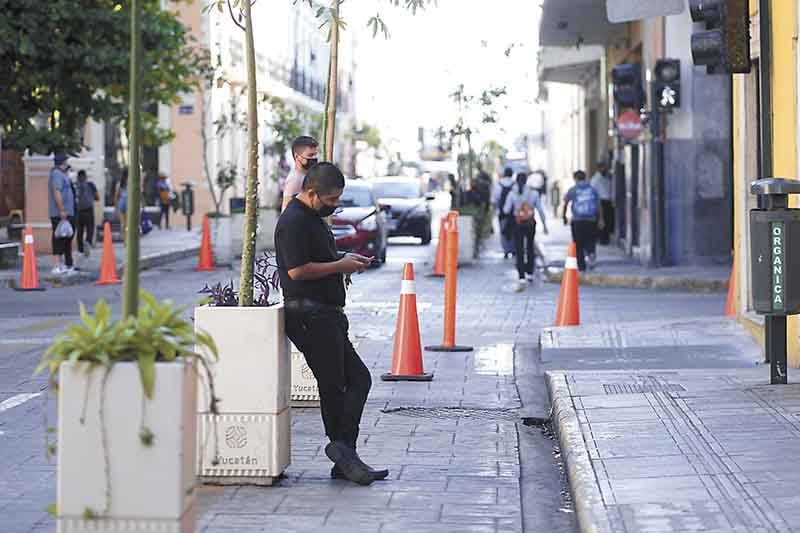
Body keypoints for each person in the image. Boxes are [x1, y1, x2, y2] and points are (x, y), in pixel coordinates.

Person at [275, 162, 388, 486]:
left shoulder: (313, 217)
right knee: (340, 383)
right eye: (331, 198)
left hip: (326, 314)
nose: (336, 204)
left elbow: (321, 256)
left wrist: (348, 260)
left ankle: (344, 457)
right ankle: (342, 451)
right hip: (309, 316)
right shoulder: (293, 221)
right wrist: (340, 265)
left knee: (353, 380)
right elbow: (296, 271)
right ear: (311, 193)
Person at [504, 172, 548, 291]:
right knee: (530, 247)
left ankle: (521, 275)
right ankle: (530, 272)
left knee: (519, 248)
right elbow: (540, 209)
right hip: (530, 223)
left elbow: (506, 209)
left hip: (518, 224)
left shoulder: (512, 193)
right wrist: (544, 225)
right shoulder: (533, 193)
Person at [563, 170, 604, 272]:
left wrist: (564, 216)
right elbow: (599, 205)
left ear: (575, 179)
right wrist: (601, 219)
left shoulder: (573, 190)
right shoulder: (592, 189)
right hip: (591, 220)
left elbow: (566, 203)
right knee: (591, 240)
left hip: (578, 221)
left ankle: (581, 267)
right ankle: (591, 254)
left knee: (578, 244)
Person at [48, 154, 76, 274]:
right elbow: (56, 192)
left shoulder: (63, 174)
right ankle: (56, 265)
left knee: (67, 238)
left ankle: (67, 264)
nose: (67, 164)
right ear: (62, 163)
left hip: (67, 212)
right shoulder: (56, 174)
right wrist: (62, 210)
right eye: (66, 162)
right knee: (58, 238)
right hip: (60, 213)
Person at [281, 135, 319, 211]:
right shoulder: (294, 180)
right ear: (297, 156)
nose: (313, 158)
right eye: (310, 155)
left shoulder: (306, 176)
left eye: (315, 155)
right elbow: (286, 210)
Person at [491, 168, 516, 258]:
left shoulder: (498, 184)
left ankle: (506, 250)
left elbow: (493, 200)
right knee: (514, 231)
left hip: (502, 213)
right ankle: (513, 250)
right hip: (513, 214)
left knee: (503, 231)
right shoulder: (515, 184)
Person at [75, 170, 99, 257]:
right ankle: (88, 241)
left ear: (78, 177)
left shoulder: (75, 185)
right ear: (85, 177)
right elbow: (97, 197)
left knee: (79, 230)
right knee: (90, 228)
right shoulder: (90, 185)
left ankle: (80, 249)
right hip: (89, 210)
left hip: (78, 211)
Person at [590, 161, 614, 245]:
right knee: (601, 221)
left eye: (605, 167)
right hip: (600, 202)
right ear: (599, 168)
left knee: (607, 221)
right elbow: (593, 191)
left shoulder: (607, 177)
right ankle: (601, 238)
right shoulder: (595, 179)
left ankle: (605, 238)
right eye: (603, 167)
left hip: (608, 202)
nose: (605, 169)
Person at [115, 169, 129, 243]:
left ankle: (124, 238)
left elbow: (117, 195)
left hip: (121, 201)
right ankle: (127, 239)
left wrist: (116, 206)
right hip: (128, 202)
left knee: (122, 223)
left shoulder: (120, 183)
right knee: (127, 223)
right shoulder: (131, 182)